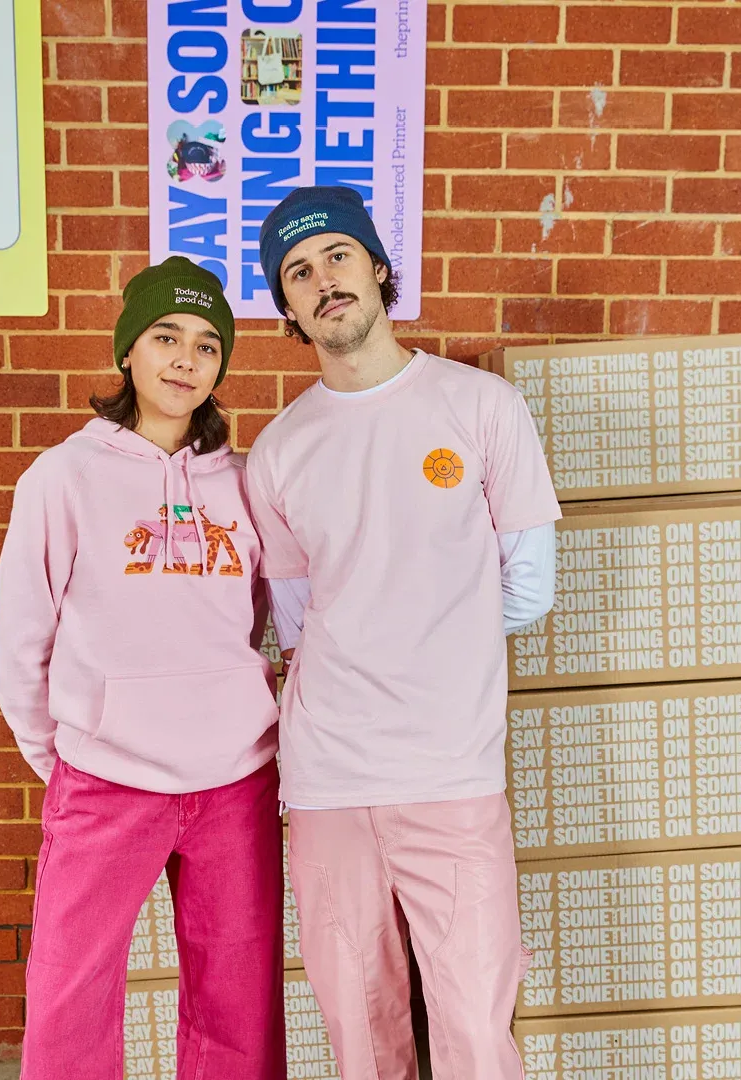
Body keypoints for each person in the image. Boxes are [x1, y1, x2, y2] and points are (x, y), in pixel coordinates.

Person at [246, 185, 561, 1079]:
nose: (323, 281)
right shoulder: (280, 451)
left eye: (338, 257)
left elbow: (528, 587)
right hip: (328, 781)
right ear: (291, 308)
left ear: (379, 269)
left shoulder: (481, 407)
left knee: (472, 1022)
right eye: (298, 273)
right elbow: (303, 625)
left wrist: (430, 631)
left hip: (448, 769)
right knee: (360, 1024)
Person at [0, 257, 286, 1080]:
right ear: (129, 352)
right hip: (106, 779)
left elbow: (265, 621)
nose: (185, 359)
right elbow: (20, 641)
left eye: (205, 345)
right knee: (70, 995)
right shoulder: (63, 478)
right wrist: (71, 756)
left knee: (240, 995)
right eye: (165, 337)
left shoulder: (245, 481)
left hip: (235, 781)